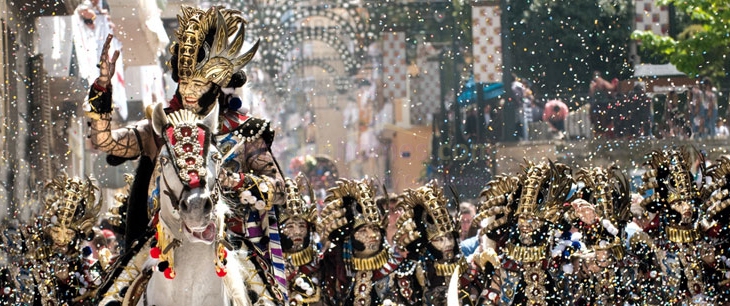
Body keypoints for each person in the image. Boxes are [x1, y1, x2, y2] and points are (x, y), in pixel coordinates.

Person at [85, 6, 287, 304]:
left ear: (214, 85)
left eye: (199, 83)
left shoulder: (245, 132)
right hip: (162, 241)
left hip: (229, 241)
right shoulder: (160, 128)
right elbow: (105, 142)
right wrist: (103, 85)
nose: (190, 91)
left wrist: (237, 182)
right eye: (185, 81)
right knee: (109, 299)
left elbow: (280, 189)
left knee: (272, 300)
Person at [391, 180, 477, 305]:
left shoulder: (466, 267)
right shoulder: (411, 271)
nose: (447, 243)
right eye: (439, 239)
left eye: (449, 237)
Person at [318, 178, 400, 306]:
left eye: (374, 228)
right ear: (349, 238)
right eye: (363, 230)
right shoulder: (333, 267)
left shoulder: (397, 268)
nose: (372, 235)